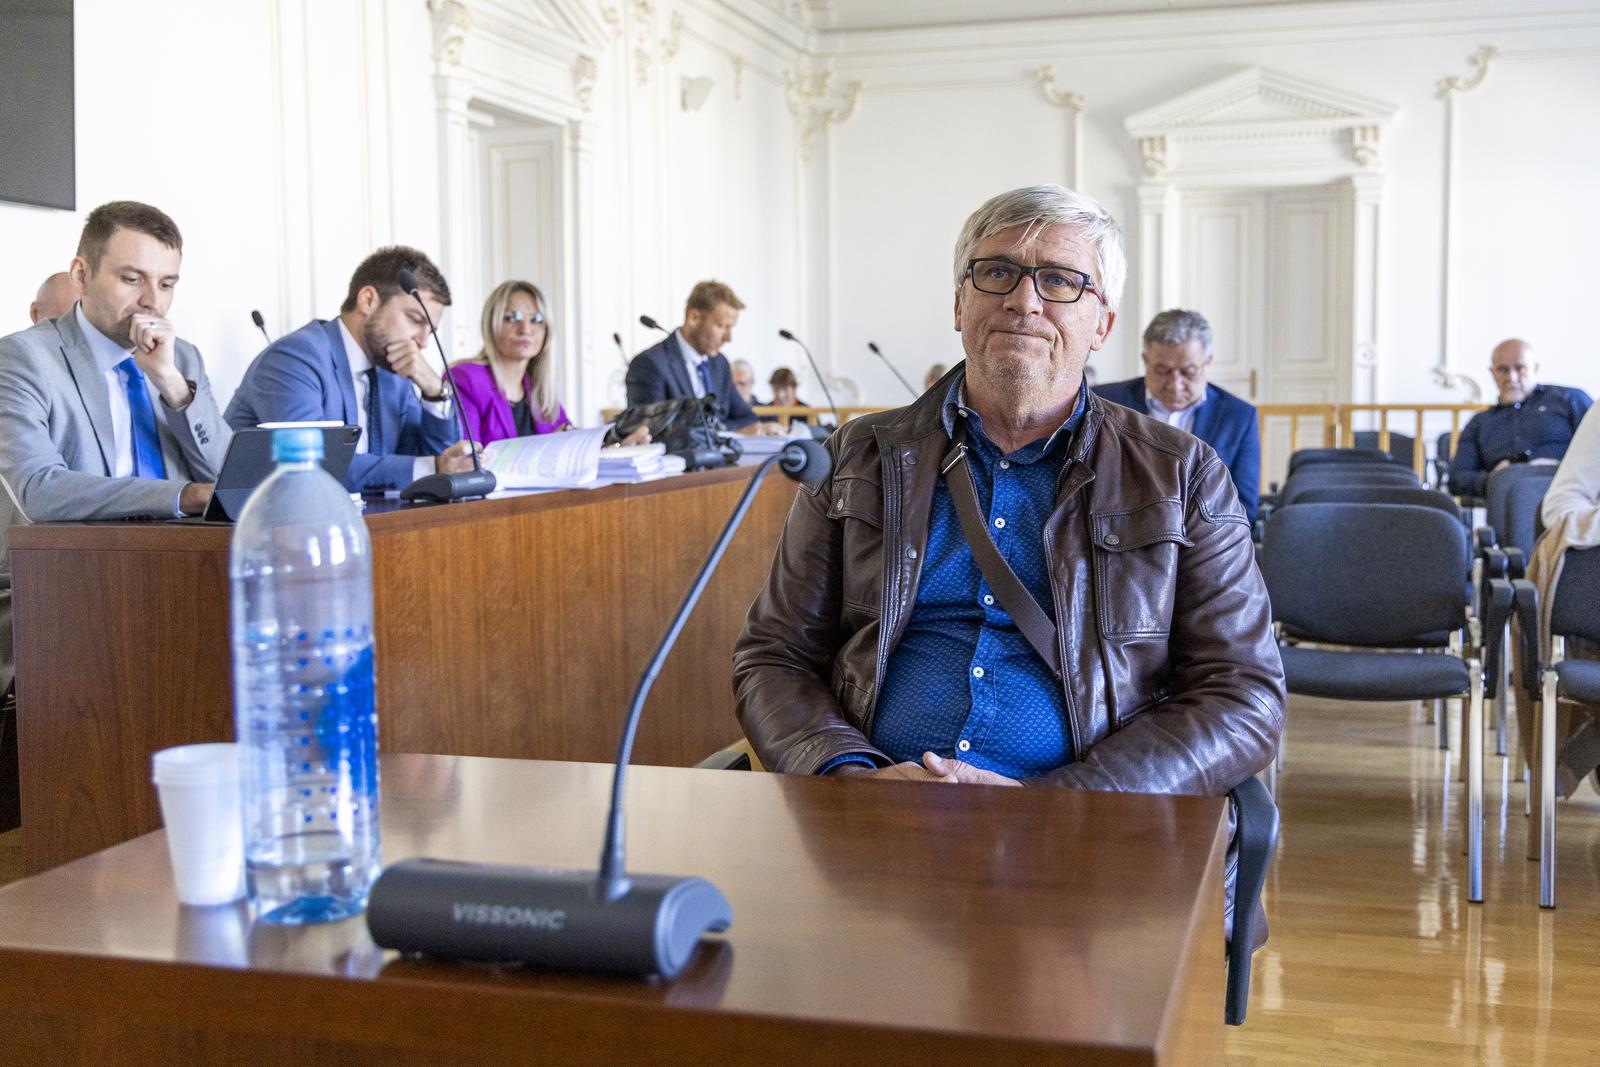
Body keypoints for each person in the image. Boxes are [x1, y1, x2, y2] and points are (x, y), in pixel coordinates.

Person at [733, 185, 1283, 931]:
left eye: (1059, 279)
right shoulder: (856, 458)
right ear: (960, 302)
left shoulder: (1184, 474)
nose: (1025, 300)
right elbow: (773, 655)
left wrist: (1060, 802)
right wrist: (845, 774)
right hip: (874, 831)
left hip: (1090, 833)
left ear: (1102, 323)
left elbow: (1243, 696)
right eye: (996, 272)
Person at [0, 201, 232, 694]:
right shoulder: (22, 358)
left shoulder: (181, 357)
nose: (153, 302)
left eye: (166, 284)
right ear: (82, 274)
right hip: (71, 595)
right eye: (133, 279)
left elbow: (231, 480)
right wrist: (182, 496)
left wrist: (173, 385)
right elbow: (39, 490)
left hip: (180, 582)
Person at [226, 246, 476, 493]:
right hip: (263, 526)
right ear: (368, 300)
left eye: (430, 331)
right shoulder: (294, 359)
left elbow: (429, 462)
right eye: (415, 320)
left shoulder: (393, 372)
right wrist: (434, 467)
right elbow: (315, 469)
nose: (422, 342)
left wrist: (435, 393)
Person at [1093, 309, 1261, 523]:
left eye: (1188, 372)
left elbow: (1245, 508)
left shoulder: (1237, 417)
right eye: (1162, 371)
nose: (1175, 385)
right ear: (1146, 360)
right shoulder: (1104, 402)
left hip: (1201, 543)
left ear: (1207, 361)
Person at [450, 281, 650, 447]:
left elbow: (570, 446)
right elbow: (467, 459)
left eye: (536, 319)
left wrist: (616, 447)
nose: (525, 329)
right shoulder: (467, 379)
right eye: (512, 318)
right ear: (491, 324)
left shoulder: (539, 390)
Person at [624, 280, 781, 435]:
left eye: (731, 328)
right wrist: (721, 431)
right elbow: (652, 432)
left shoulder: (720, 364)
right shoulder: (650, 364)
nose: (728, 337)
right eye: (721, 326)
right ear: (694, 318)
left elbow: (747, 418)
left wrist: (722, 430)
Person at [1448, 339, 1591, 498]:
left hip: (1569, 491)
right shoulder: (1480, 423)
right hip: (1508, 497)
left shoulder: (1570, 399)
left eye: (1519, 368)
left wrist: (1560, 467)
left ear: (1535, 368)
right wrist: (1493, 479)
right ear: (1492, 373)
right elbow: (1457, 479)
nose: (1512, 377)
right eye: (1503, 370)